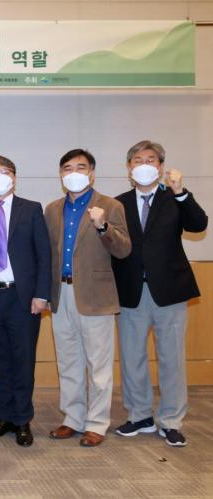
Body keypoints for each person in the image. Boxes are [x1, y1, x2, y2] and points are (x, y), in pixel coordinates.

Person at [112, 140, 208, 447]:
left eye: (150, 159)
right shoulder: (118, 203)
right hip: (130, 291)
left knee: (171, 358)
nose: (144, 165)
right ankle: (139, 415)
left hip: (170, 291)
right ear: (129, 167)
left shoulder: (174, 198)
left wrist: (181, 191)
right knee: (132, 358)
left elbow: (199, 224)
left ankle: (171, 420)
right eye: (137, 160)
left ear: (161, 166)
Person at [44, 148, 131, 447]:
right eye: (67, 168)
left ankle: (96, 423)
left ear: (92, 173)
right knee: (68, 361)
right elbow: (48, 254)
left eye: (81, 167)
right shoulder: (52, 209)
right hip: (61, 293)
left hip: (96, 295)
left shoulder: (110, 206)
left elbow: (123, 249)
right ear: (61, 175)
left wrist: (103, 226)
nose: (74, 173)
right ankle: (73, 418)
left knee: (98, 366)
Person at [0, 156, 51, 447]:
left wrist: (42, 294)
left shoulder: (31, 209)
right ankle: (4, 416)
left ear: (14, 177)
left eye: (5, 172)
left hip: (23, 297)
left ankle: (23, 419)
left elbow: (44, 254)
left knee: (23, 359)